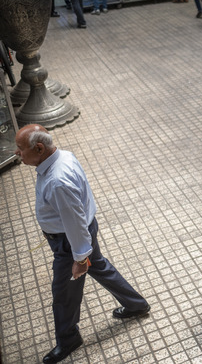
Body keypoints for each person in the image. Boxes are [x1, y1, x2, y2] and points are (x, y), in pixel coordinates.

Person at [14, 125, 150, 364]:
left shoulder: (57, 182)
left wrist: (79, 259)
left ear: (39, 148)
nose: (17, 153)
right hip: (84, 230)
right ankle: (136, 305)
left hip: (70, 242)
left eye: (20, 149)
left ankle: (68, 339)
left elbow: (74, 223)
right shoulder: (63, 155)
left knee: (64, 293)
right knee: (100, 266)